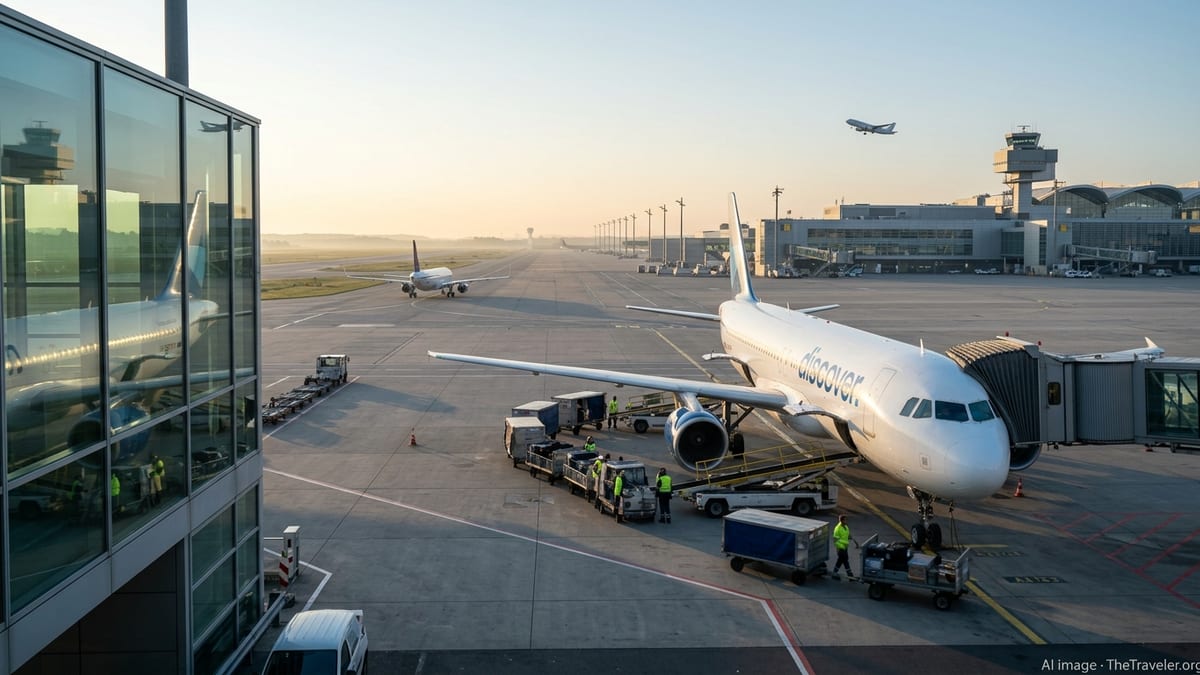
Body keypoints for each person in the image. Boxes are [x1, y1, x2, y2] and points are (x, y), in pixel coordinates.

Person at [831, 514, 858, 580]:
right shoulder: (837, 529)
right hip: (840, 548)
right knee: (845, 560)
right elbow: (835, 540)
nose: (846, 521)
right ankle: (850, 575)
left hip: (845, 547)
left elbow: (847, 535)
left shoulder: (845, 526)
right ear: (842, 520)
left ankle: (834, 573)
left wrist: (850, 537)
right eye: (845, 520)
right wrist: (842, 547)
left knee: (840, 561)